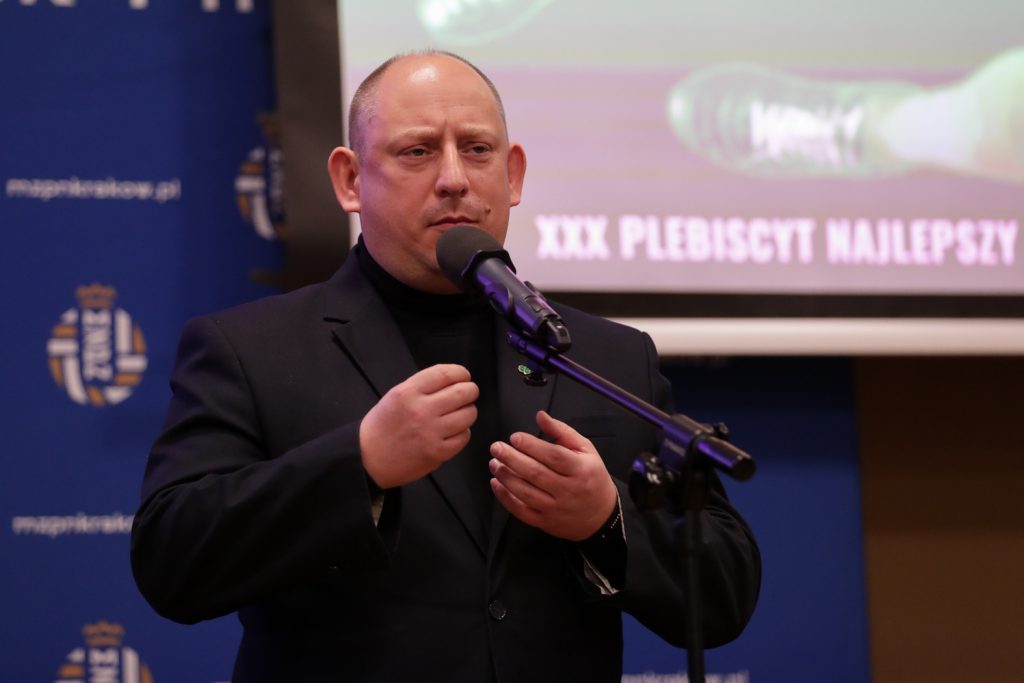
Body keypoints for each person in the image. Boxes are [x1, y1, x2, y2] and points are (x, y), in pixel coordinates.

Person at [131, 50, 760, 682]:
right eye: (418, 151)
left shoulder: (607, 356)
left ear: (513, 174)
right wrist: (361, 465)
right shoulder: (252, 350)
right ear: (350, 180)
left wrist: (606, 520)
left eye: (478, 150)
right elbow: (171, 562)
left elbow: (725, 596)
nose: (455, 178)